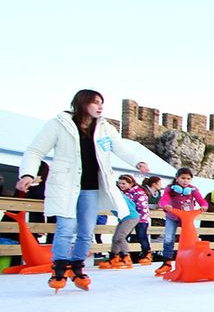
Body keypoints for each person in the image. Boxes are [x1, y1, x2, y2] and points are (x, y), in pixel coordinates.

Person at [16, 89, 149, 292]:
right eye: (95, 102)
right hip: (65, 186)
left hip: (91, 188)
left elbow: (121, 148)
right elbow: (35, 151)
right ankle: (59, 268)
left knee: (86, 232)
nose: (100, 106)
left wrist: (138, 161)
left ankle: (78, 267)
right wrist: (27, 174)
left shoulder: (104, 128)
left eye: (102, 102)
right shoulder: (58, 124)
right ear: (82, 103)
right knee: (65, 229)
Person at [156, 167, 208, 277]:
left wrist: (204, 205)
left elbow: (201, 199)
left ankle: (194, 259)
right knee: (169, 238)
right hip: (172, 216)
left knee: (192, 238)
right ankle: (167, 262)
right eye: (183, 178)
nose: (185, 181)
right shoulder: (170, 189)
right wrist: (165, 205)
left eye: (188, 179)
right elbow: (164, 199)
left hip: (187, 217)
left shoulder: (193, 189)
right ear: (177, 178)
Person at [114, 174, 152, 265]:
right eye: (120, 183)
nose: (121, 185)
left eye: (124, 183)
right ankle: (122, 256)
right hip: (129, 217)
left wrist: (137, 216)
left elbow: (141, 206)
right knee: (123, 236)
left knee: (141, 236)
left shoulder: (138, 192)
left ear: (130, 184)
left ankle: (147, 255)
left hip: (140, 218)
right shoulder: (124, 193)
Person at [100, 188, 140, 270]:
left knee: (120, 237)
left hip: (130, 217)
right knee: (115, 238)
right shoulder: (117, 195)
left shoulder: (115, 196)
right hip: (124, 217)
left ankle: (126, 258)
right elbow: (133, 204)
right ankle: (114, 258)